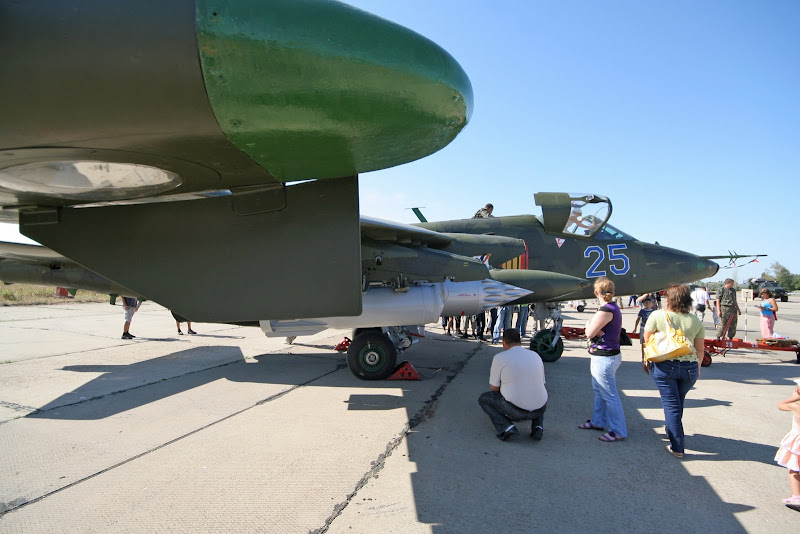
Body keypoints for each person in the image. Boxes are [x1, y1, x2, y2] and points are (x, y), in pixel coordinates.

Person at [643, 284, 705, 459]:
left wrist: (645, 360)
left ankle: (677, 446)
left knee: (671, 405)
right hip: (690, 368)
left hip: (665, 365)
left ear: (669, 299)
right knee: (678, 402)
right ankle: (671, 427)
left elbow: (647, 341)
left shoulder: (657, 315)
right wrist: (698, 367)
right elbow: (700, 350)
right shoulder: (695, 320)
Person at [478, 328, 547, 441]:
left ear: (504, 342)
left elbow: (494, 388)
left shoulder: (500, 358)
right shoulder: (535, 355)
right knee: (536, 391)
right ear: (520, 341)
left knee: (484, 398)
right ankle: (538, 427)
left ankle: (507, 428)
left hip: (516, 411)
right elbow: (542, 383)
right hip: (539, 409)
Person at [579, 277, 627, 442]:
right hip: (605, 356)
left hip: (605, 358)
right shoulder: (610, 308)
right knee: (599, 391)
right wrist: (593, 325)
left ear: (596, 292)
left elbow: (589, 332)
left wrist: (589, 324)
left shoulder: (606, 310)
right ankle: (598, 421)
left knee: (609, 395)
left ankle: (618, 430)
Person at [775, 380, 800, 511]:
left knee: (794, 469)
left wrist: (794, 398)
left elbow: (780, 405)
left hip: (798, 444)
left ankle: (796, 497)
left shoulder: (795, 406)